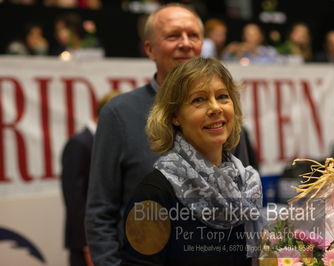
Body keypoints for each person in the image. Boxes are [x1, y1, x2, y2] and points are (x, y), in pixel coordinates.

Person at [85, 3, 258, 266]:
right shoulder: (118, 113)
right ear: (149, 49)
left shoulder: (222, 120)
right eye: (173, 36)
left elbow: (241, 203)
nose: (186, 44)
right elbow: (100, 211)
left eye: (194, 36)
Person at [121, 56, 262, 265]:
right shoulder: (154, 194)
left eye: (223, 96)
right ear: (175, 116)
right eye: (199, 100)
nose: (215, 108)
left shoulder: (246, 185)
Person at [60, 90, 119, 266]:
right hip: (88, 243)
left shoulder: (108, 143)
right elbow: (75, 200)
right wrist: (89, 243)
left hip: (109, 239)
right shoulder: (80, 144)